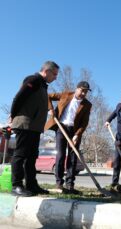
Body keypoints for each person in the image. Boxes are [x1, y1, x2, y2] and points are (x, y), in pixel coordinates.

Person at [10, 61, 59, 197]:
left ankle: (31, 184)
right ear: (46, 71)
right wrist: (13, 115)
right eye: (54, 74)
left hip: (35, 127)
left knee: (32, 157)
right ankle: (16, 185)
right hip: (25, 124)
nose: (55, 77)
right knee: (21, 154)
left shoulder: (43, 85)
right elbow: (18, 97)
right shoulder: (33, 80)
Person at [44, 81, 92, 194]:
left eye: (86, 91)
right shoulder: (65, 95)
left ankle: (70, 185)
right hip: (61, 127)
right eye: (82, 90)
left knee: (73, 157)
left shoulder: (87, 105)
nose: (83, 93)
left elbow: (84, 123)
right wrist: (50, 109)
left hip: (74, 131)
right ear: (77, 88)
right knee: (60, 155)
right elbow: (48, 96)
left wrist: (77, 135)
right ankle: (59, 183)